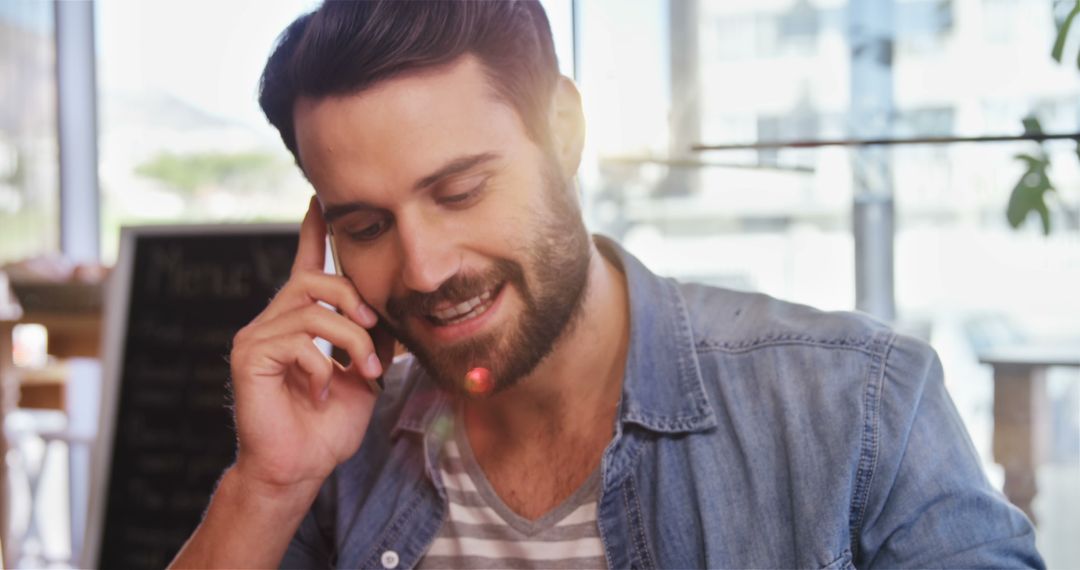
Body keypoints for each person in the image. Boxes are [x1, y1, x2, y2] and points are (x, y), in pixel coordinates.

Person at [171, 1, 1043, 568]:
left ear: (565, 131)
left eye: (461, 190)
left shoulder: (858, 404)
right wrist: (267, 488)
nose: (427, 269)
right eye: (365, 226)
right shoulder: (337, 455)